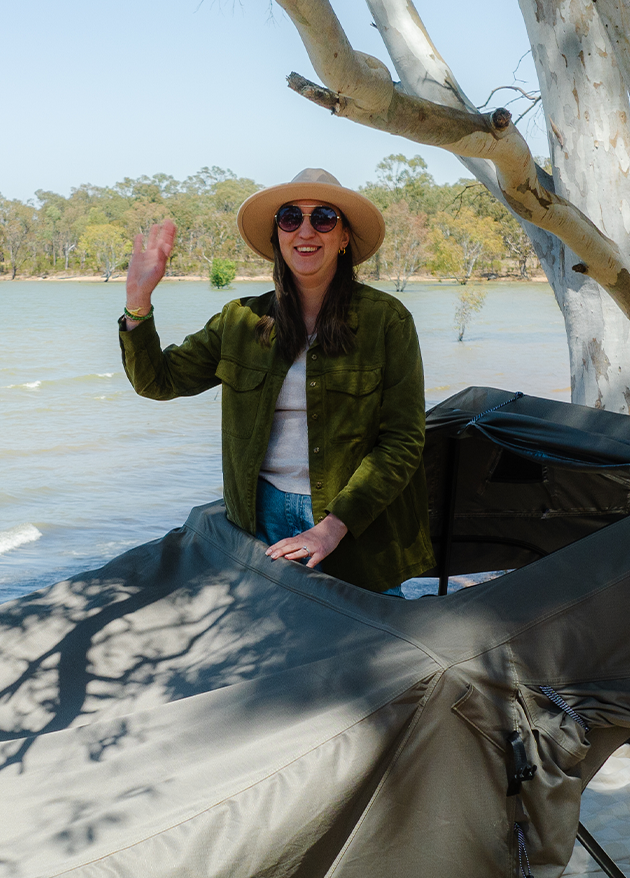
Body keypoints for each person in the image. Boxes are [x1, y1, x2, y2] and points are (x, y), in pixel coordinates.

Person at [116, 167, 433, 595]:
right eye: (290, 217)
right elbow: (158, 381)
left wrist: (333, 528)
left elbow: (403, 440)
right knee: (269, 648)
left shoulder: (387, 321)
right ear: (277, 236)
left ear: (344, 238)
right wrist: (138, 302)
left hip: (354, 526)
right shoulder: (239, 320)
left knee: (359, 650)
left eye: (323, 217)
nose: (306, 230)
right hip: (257, 519)